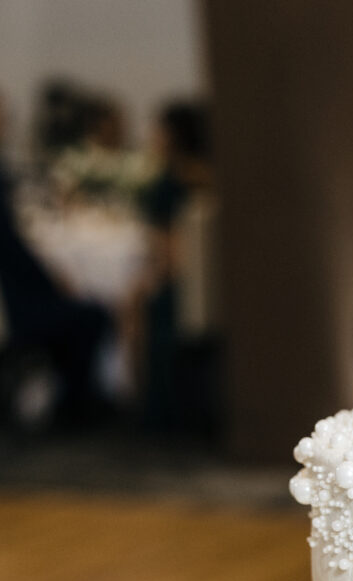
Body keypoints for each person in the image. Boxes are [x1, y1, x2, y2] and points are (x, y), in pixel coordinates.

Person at [0, 87, 112, 428]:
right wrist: (54, 284)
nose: (5, 124)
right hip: (12, 305)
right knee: (92, 315)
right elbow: (12, 250)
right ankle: (76, 404)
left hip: (11, 298)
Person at [139, 100, 212, 431]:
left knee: (141, 304)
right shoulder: (208, 176)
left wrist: (143, 289)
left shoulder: (168, 184)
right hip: (212, 287)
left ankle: (154, 410)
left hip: (179, 290)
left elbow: (169, 256)